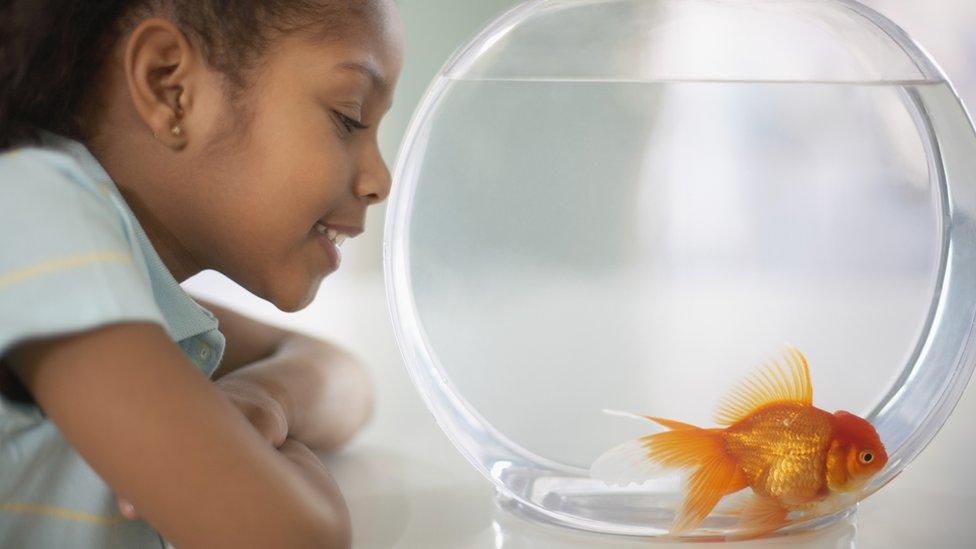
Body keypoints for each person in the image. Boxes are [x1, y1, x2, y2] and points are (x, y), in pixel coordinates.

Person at [0, 1, 403, 547]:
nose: (382, 180)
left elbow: (340, 375)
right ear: (171, 87)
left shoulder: (130, 292)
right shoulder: (31, 209)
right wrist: (308, 508)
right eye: (349, 116)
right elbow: (283, 537)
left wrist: (265, 399)